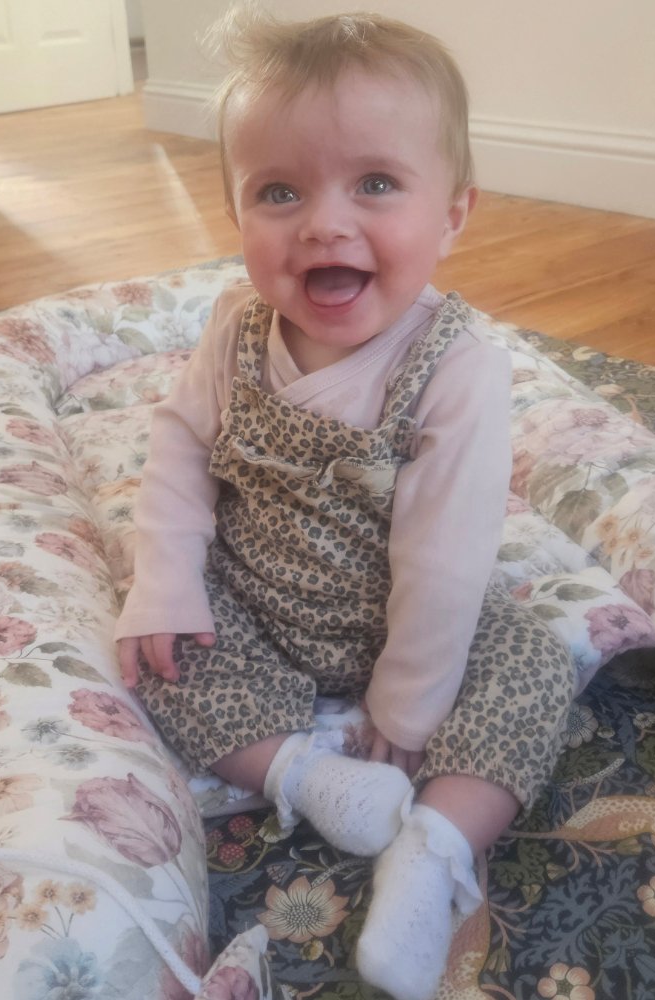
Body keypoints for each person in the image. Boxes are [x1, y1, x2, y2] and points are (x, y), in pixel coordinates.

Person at [116, 8, 573, 1000]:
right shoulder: (236, 330)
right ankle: (307, 776)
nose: (325, 223)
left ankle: (435, 846)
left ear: (453, 213)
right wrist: (167, 583)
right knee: (155, 646)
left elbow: (445, 563)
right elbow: (180, 446)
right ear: (235, 210)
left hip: (404, 622)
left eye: (375, 183)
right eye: (279, 191)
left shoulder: (456, 369)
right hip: (256, 593)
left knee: (533, 663)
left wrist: (407, 707)